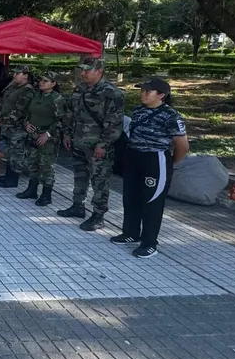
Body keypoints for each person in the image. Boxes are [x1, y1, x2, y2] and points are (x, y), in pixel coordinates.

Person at [110, 78, 190, 258]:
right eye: (142, 90)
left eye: (148, 91)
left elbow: (183, 146)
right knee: (131, 197)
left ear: (161, 95)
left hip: (155, 159)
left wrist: (171, 164)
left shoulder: (171, 116)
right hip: (134, 157)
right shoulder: (139, 110)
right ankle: (131, 233)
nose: (143, 94)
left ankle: (149, 243)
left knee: (152, 202)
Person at [60, 57, 125, 231]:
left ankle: (98, 215)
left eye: (87, 70)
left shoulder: (111, 93)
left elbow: (114, 123)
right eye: (82, 70)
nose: (83, 73)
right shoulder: (80, 89)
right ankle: (77, 205)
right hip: (78, 141)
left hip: (98, 146)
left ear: (99, 71)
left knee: (99, 181)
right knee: (80, 175)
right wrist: (67, 134)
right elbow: (71, 114)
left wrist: (103, 144)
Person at [16, 71, 64, 206]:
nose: (41, 83)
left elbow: (62, 120)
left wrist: (48, 134)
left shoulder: (57, 99)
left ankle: (46, 195)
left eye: (45, 81)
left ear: (53, 84)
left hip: (47, 138)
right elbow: (28, 112)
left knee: (46, 166)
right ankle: (32, 189)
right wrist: (27, 123)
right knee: (32, 163)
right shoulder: (37, 95)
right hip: (33, 134)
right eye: (41, 80)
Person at [0, 65, 35, 188]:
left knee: (17, 153)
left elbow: (20, 110)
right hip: (7, 125)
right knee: (9, 151)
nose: (14, 75)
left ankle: (13, 179)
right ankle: (8, 176)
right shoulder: (13, 87)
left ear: (25, 75)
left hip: (17, 126)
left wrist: (6, 120)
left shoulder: (27, 91)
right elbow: (3, 102)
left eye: (18, 73)